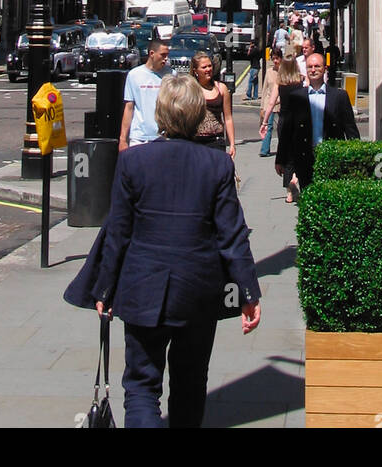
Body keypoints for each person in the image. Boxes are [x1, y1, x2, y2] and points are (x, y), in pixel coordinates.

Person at [65, 74, 261, 428]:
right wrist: (247, 291)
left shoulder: (133, 162)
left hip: (143, 288)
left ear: (160, 115)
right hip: (198, 292)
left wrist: (104, 289)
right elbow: (232, 235)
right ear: (198, 114)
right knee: (189, 385)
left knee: (141, 386)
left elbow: (118, 234)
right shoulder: (217, 165)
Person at [276, 50, 360, 193]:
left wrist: (355, 157)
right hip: (304, 158)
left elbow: (350, 129)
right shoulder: (296, 97)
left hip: (332, 157)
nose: (313, 70)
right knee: (308, 198)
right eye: (310, 67)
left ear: (324, 69)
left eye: (317, 66)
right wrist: (280, 159)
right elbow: (287, 132)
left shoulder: (339, 96)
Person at [119, 41, 170, 149]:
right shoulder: (134, 75)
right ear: (152, 54)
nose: (166, 59)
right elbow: (129, 108)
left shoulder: (171, 75)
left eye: (167, 55)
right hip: (139, 138)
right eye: (163, 55)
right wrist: (123, 139)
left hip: (164, 137)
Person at [269, 54, 304, 201]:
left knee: (287, 155)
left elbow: (271, 102)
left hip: (284, 120)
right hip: (299, 121)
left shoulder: (280, 82)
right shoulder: (301, 80)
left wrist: (265, 122)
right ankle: (296, 177)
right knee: (299, 152)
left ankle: (289, 193)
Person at [190, 53, 235, 157]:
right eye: (204, 67)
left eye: (210, 66)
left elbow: (228, 118)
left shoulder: (221, 88)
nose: (208, 69)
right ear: (195, 71)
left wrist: (232, 144)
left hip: (216, 140)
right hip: (196, 141)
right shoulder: (190, 89)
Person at [257, 49, 283, 156]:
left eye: (277, 58)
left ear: (281, 58)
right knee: (268, 126)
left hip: (281, 103)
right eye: (273, 59)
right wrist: (262, 107)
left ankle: (282, 150)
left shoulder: (285, 71)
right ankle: (264, 150)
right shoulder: (268, 71)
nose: (275, 61)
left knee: (282, 127)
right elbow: (264, 90)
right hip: (270, 103)